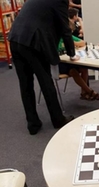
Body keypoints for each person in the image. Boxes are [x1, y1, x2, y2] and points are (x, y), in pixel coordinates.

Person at [8, 0, 79, 135]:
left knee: (25, 84)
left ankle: (33, 124)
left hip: (16, 37)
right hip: (33, 42)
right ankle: (58, 119)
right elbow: (65, 28)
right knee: (46, 82)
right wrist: (72, 54)